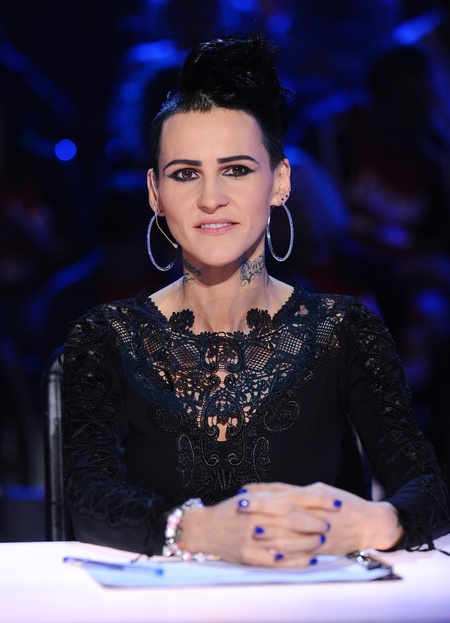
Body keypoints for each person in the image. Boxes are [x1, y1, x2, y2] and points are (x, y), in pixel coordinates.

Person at [62, 35, 449, 567]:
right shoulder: (107, 337)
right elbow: (87, 500)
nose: (211, 198)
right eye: (186, 174)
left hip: (319, 605)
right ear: (155, 193)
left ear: (280, 181)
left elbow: (427, 489)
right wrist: (200, 530)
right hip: (162, 610)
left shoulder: (344, 331)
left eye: (236, 169)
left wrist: (376, 521)